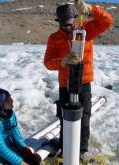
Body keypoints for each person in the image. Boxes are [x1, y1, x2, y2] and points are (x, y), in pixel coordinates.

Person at [44, 0, 114, 159]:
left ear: (75, 19)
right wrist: (61, 62)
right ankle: (64, 147)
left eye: (70, 23)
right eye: (64, 25)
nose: (68, 27)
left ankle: (81, 151)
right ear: (59, 22)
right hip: (65, 85)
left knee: (84, 117)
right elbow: (48, 63)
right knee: (64, 118)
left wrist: (91, 10)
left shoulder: (86, 31)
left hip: (84, 83)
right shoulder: (54, 38)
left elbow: (107, 20)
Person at [0, 88, 41, 165]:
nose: (12, 100)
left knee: (31, 158)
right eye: (8, 99)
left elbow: (15, 134)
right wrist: (21, 163)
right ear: (0, 104)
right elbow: (0, 148)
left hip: (8, 146)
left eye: (10, 97)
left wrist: (24, 148)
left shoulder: (9, 114)